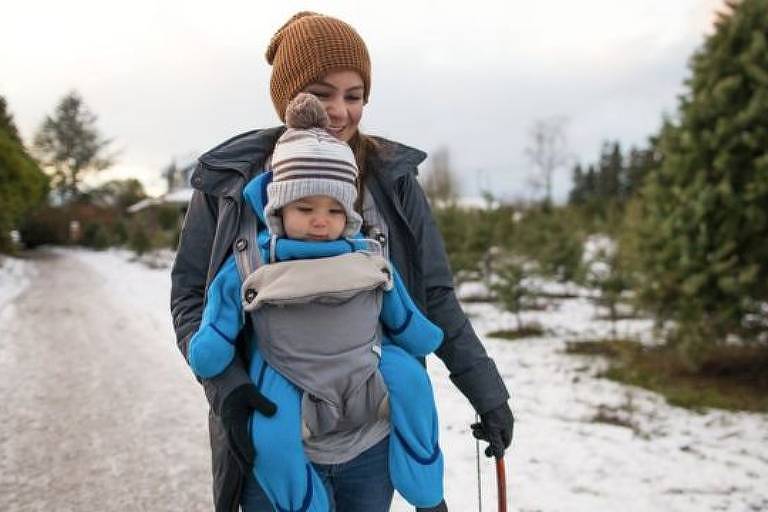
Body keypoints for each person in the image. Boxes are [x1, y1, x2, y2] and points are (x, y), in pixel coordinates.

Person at [170, 11, 514, 512]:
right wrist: (229, 389)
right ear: (287, 98)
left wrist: (487, 391)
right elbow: (190, 297)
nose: (338, 111)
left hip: (369, 436)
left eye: (354, 96)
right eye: (321, 93)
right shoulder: (226, 182)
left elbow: (432, 296)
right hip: (270, 429)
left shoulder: (392, 183)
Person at [186, 93, 446, 511]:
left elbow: (399, 306)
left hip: (365, 367)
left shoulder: (367, 255)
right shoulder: (253, 258)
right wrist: (215, 355)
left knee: (413, 384)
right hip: (288, 373)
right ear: (278, 209)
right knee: (271, 433)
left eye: (333, 210)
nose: (320, 221)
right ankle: (302, 502)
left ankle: (425, 487)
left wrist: (419, 334)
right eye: (304, 207)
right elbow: (218, 306)